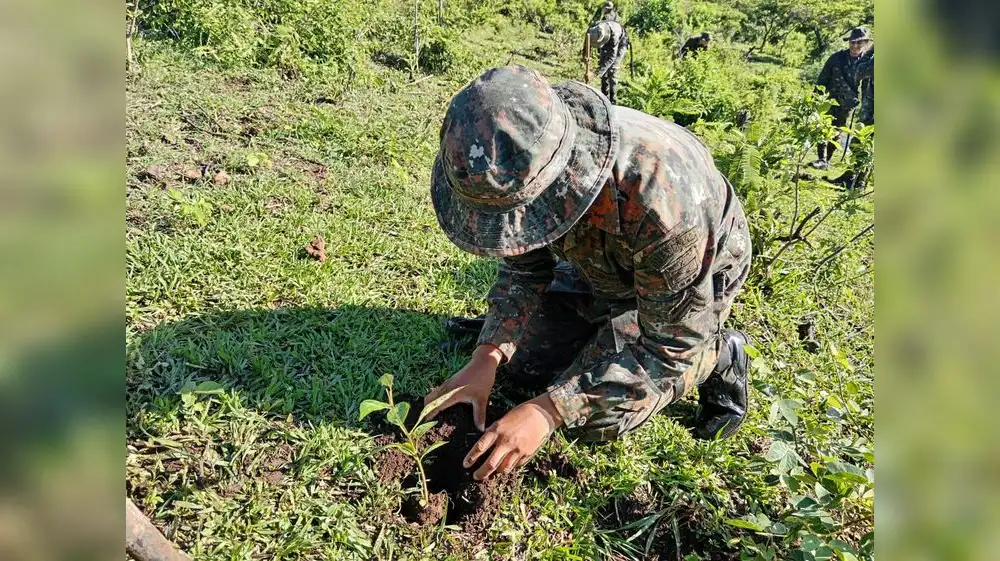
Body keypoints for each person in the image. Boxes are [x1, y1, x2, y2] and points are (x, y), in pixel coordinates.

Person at [423, 66, 753, 481]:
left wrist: (549, 411)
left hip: (684, 287)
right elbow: (524, 267)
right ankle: (598, 320)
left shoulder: (662, 203)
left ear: (560, 176)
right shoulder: (531, 158)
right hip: (599, 266)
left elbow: (672, 343)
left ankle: (720, 355)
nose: (514, 223)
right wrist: (486, 356)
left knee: (598, 420)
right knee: (525, 365)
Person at [812, 26, 874, 170]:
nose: (855, 45)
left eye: (859, 43)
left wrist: (864, 109)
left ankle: (827, 160)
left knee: (838, 130)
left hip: (847, 103)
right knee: (822, 127)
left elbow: (866, 88)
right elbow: (822, 79)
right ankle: (821, 159)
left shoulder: (866, 64)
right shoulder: (837, 58)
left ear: (865, 44)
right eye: (853, 42)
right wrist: (815, 97)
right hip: (828, 99)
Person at [583, 19, 630, 104]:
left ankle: (612, 100)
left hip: (620, 45)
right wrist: (585, 55)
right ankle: (604, 96)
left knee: (612, 70)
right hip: (607, 43)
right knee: (603, 69)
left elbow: (611, 58)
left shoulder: (614, 36)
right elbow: (587, 40)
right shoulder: (594, 27)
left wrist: (594, 74)